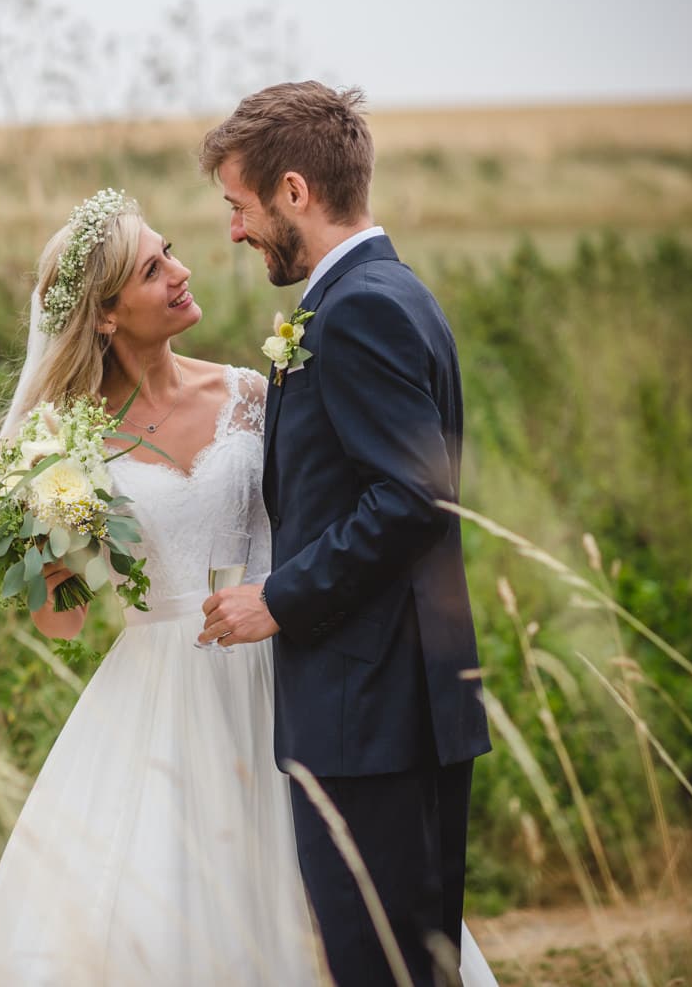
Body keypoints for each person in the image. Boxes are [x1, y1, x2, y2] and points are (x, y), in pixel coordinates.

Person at [0, 185, 498, 985]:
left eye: (170, 252)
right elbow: (61, 623)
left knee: (347, 916)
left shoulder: (256, 394)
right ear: (106, 315)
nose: (181, 271)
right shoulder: (65, 447)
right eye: (154, 268)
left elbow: (332, 513)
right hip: (159, 692)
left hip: (286, 671)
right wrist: (49, 535)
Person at [197, 81, 494, 986]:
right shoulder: (387, 289)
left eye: (239, 207)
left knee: (382, 965)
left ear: (295, 191)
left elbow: (410, 499)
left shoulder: (357, 309)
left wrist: (277, 599)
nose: (235, 231)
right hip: (396, 703)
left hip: (374, 712)